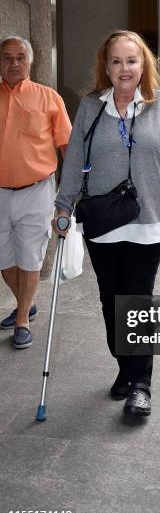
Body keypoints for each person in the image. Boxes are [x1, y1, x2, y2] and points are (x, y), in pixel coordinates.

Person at [54, 30, 160, 417]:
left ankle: (140, 383)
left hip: (150, 221)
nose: (124, 68)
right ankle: (125, 368)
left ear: (143, 64)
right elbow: (75, 159)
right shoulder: (91, 108)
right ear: (106, 67)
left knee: (137, 301)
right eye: (116, 61)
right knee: (111, 301)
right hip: (103, 220)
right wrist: (63, 206)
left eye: (132, 60)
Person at [0, 36, 72, 349]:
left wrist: (70, 194)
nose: (13, 63)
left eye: (20, 57)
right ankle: (25, 303)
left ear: (30, 62)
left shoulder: (49, 98)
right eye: (7, 57)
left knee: (30, 255)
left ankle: (22, 320)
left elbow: (68, 146)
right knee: (4, 258)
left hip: (37, 190)